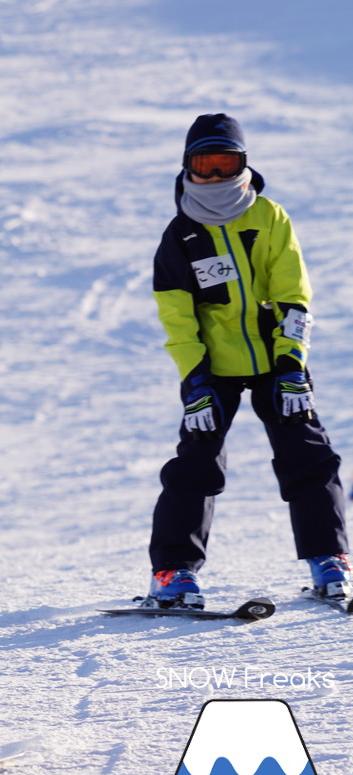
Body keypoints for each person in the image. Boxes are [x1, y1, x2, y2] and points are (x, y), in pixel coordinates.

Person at [146, 114, 350, 607]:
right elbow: (178, 317)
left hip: (275, 361)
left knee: (307, 453)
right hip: (212, 368)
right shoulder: (180, 235)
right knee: (196, 462)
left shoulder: (269, 217)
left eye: (226, 163)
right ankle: (173, 572)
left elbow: (292, 294)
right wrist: (195, 381)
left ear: (244, 165)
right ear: (187, 169)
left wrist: (291, 364)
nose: (215, 176)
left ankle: (330, 559)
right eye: (205, 164)